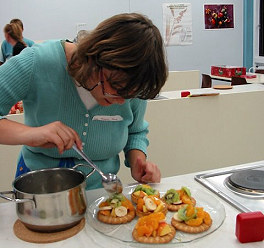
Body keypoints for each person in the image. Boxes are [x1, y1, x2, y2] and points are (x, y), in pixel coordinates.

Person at [0, 13, 168, 190]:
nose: (121, 101)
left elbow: (135, 130)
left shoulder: (131, 85)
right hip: (40, 191)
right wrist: (32, 134)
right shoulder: (38, 61)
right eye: (115, 87)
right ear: (94, 58)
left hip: (100, 193)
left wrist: (137, 162)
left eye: (131, 95)